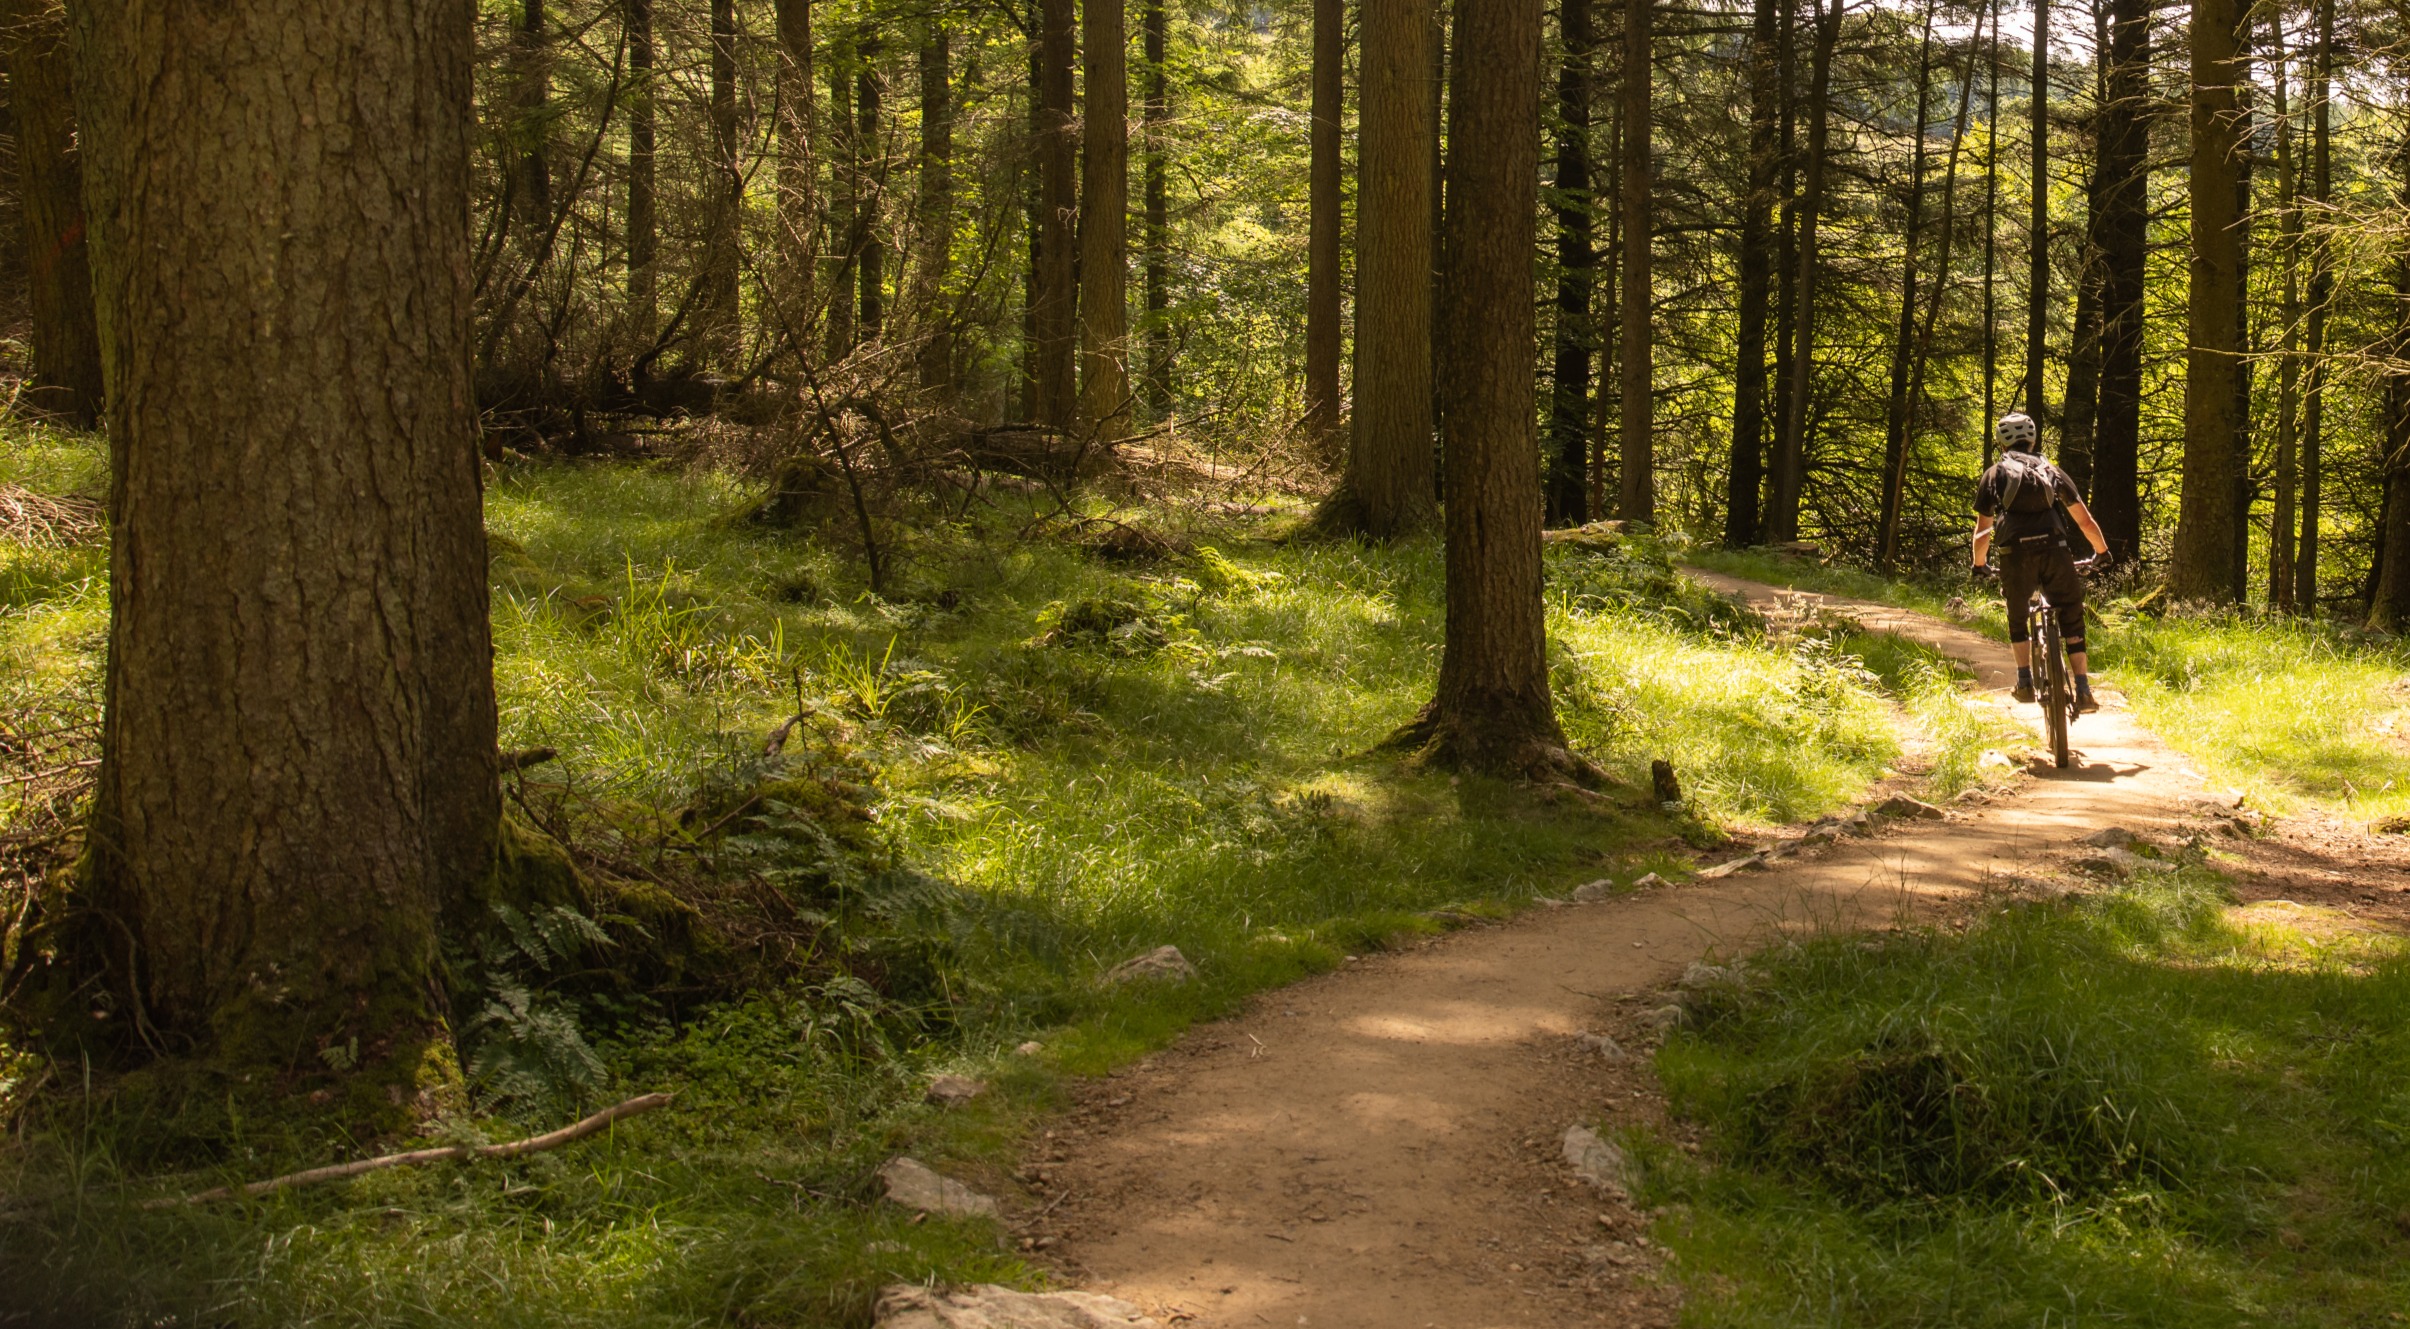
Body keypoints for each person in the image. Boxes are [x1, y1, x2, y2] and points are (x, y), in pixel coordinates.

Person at [1971, 412, 2111, 711]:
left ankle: (2024, 682)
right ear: (2033, 439)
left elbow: (1983, 531)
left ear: (2001, 443)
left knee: (2018, 613)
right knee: (2071, 614)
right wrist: (2101, 552)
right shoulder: (2051, 470)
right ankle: (2084, 690)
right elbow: (2084, 521)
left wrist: (1979, 563)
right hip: (2055, 549)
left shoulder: (1994, 474)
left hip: (2015, 554)